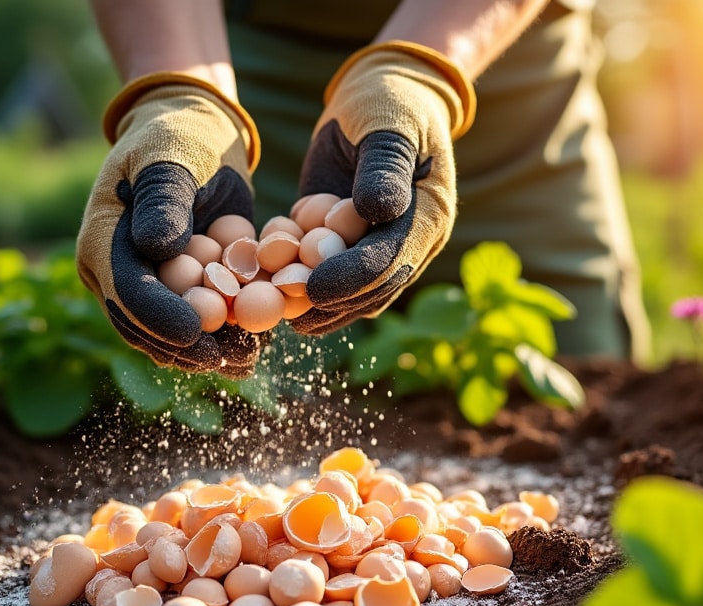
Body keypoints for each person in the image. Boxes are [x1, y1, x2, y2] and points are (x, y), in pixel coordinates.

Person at [77, 0, 650, 379]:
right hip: (244, 72)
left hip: (511, 85)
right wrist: (182, 96)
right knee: (272, 365)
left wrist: (419, 69)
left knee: (582, 386)